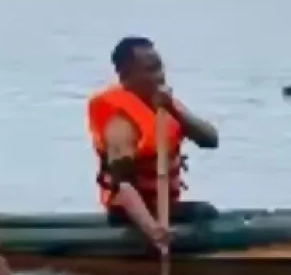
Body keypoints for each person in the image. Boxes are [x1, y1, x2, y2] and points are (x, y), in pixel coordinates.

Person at [87, 37, 220, 252]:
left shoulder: (166, 106)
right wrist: (152, 229)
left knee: (205, 214)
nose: (160, 76)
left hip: (163, 206)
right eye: (151, 70)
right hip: (131, 212)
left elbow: (210, 140)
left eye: (160, 68)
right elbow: (122, 185)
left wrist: (173, 110)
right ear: (125, 74)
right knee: (203, 213)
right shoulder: (120, 123)